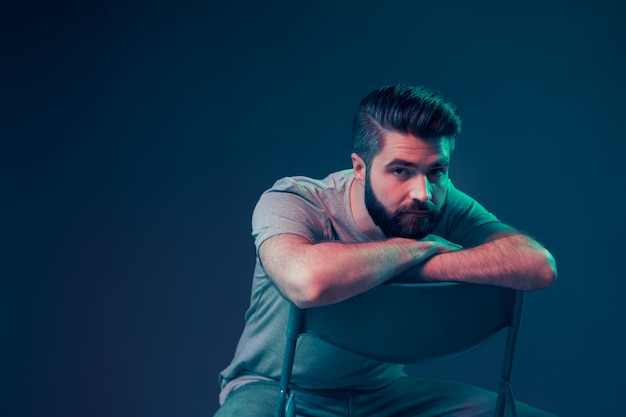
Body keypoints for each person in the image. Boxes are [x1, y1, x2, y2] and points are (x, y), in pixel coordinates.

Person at [214, 84, 557, 417]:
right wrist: (412, 250)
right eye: (400, 170)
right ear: (360, 168)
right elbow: (307, 281)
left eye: (436, 170)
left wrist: (419, 265)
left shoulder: (439, 201)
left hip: (387, 395)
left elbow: (537, 265)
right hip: (275, 388)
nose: (422, 192)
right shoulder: (297, 200)